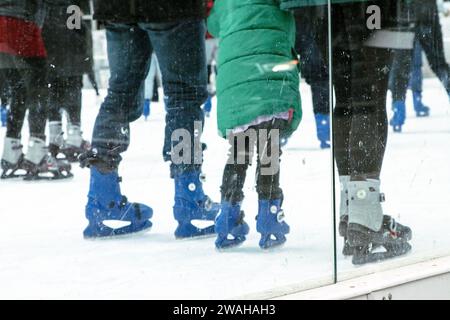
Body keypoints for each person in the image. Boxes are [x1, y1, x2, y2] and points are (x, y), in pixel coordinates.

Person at [281, 0, 412, 264]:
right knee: (369, 95)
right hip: (366, 5)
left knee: (346, 96)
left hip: (319, 5)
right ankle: (364, 216)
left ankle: (351, 209)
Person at [79, 0, 220, 239]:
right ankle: (189, 195)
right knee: (184, 94)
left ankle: (103, 198)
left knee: (120, 92)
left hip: (116, 8)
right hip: (174, 9)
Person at [208, 0, 302, 249]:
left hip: (237, 81)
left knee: (238, 153)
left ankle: (227, 217)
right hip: (268, 77)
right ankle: (269, 215)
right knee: (269, 151)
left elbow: (214, 24)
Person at [0, 0, 72, 180]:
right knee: (38, 89)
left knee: (19, 90)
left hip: (2, 22)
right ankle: (38, 152)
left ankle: (11, 152)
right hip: (21, 22)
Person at [41, 0, 92, 162]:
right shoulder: (72, 7)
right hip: (69, 45)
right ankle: (74, 137)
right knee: (73, 88)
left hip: (47, 39)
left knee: (52, 88)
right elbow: (76, 22)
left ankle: (55, 138)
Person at [389, 0, 450, 132]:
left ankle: (398, 112)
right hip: (428, 10)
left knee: (401, 67)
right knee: (439, 64)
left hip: (404, 12)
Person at [294, 8, 330, 149]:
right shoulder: (324, 11)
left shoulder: (300, 12)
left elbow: (297, 40)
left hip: (310, 60)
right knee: (322, 96)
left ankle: (283, 133)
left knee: (319, 95)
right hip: (322, 59)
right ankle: (324, 132)